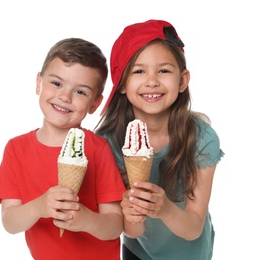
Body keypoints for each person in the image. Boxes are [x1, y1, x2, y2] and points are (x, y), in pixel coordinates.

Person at [95, 20, 224, 260]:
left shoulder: (201, 138)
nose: (152, 81)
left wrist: (164, 209)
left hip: (192, 253)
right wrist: (132, 213)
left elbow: (194, 227)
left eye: (163, 70)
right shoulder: (108, 143)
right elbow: (132, 230)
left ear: (183, 80)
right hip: (139, 252)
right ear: (122, 83)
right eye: (139, 71)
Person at [0, 38, 126, 260]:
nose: (64, 97)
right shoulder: (16, 149)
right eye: (56, 83)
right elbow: (10, 222)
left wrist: (86, 220)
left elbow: (115, 224)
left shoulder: (98, 149)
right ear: (39, 82)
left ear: (94, 104)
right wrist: (37, 207)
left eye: (80, 92)